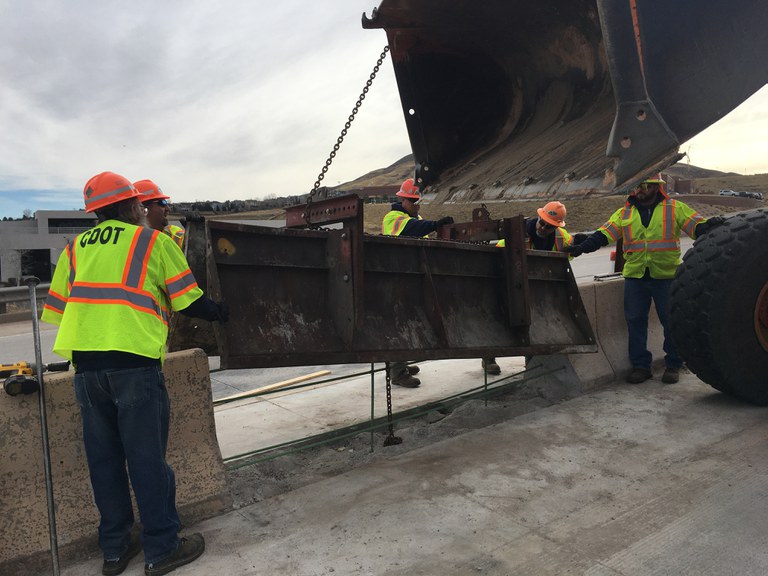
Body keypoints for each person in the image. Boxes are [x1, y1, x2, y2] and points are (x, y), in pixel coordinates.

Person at [41, 171, 229, 576]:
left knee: (104, 462)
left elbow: (56, 309)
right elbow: (188, 300)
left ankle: (114, 550)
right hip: (134, 365)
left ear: (94, 211)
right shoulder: (152, 242)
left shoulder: (74, 249)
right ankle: (161, 548)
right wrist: (218, 311)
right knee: (146, 461)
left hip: (87, 370)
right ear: (132, 206)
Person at [565, 173, 724, 384]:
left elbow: (697, 227)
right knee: (635, 321)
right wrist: (580, 249)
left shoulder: (674, 208)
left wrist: (711, 225)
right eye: (637, 186)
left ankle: (673, 364)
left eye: (645, 186)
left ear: (655, 186)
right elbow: (603, 235)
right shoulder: (625, 212)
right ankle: (641, 366)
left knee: (670, 322)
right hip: (636, 276)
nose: (640, 190)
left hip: (666, 276)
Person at [485, 201, 576, 374]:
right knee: (501, 317)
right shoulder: (519, 233)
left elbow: (570, 254)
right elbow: (498, 252)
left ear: (555, 227)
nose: (543, 228)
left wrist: (580, 246)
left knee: (533, 325)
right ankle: (489, 357)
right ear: (539, 217)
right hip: (514, 282)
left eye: (549, 227)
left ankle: (532, 362)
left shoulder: (562, 238)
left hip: (540, 286)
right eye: (542, 223)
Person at [382, 178, 454, 387]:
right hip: (395, 275)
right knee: (398, 322)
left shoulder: (414, 216)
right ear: (402, 200)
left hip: (409, 274)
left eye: (417, 201)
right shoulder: (393, 217)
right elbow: (412, 229)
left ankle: (400, 363)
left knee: (408, 319)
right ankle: (397, 372)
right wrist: (435, 224)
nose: (416, 205)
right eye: (412, 201)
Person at [134, 179, 185, 250]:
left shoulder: (173, 234)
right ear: (143, 209)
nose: (168, 209)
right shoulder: (128, 241)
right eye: (162, 203)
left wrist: (193, 233)